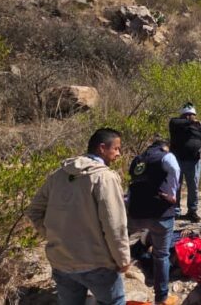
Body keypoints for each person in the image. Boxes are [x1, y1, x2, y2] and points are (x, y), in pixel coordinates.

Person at [27, 128, 131, 305]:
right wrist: (123, 259)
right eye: (116, 149)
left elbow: (34, 210)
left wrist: (52, 236)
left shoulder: (58, 175)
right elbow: (114, 226)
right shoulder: (104, 178)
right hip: (97, 263)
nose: (119, 154)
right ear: (102, 148)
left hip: (61, 260)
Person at [126, 139, 180, 305]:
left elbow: (133, 184)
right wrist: (172, 194)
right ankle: (161, 298)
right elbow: (175, 169)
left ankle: (112, 296)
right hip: (160, 214)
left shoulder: (137, 160)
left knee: (116, 248)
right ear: (165, 147)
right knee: (161, 255)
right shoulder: (166, 156)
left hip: (136, 214)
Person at [169, 102, 201, 222]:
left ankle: (192, 211)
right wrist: (191, 121)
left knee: (193, 187)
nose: (188, 117)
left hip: (193, 161)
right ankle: (175, 211)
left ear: (195, 114)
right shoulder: (176, 124)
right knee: (176, 186)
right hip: (176, 161)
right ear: (182, 115)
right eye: (186, 115)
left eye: (191, 115)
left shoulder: (200, 126)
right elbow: (174, 122)